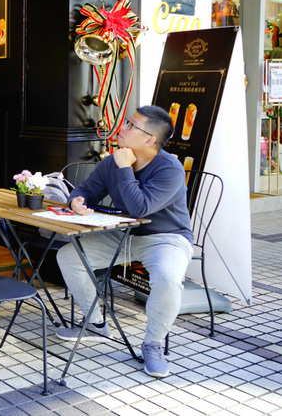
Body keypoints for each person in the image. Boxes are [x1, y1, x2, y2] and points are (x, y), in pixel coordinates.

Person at [55, 105, 192, 379]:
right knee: (68, 256)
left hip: (166, 238)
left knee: (167, 279)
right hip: (124, 234)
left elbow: (139, 207)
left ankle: (153, 343)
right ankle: (95, 324)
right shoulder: (114, 161)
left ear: (149, 140)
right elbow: (86, 189)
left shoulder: (170, 169)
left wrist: (123, 167)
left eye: (131, 125)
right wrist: (77, 201)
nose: (123, 128)